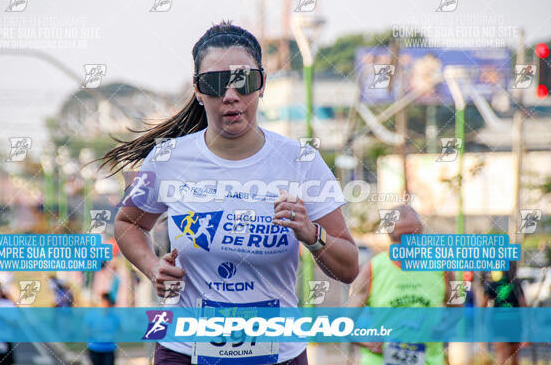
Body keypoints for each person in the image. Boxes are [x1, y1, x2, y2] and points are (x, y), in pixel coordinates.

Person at [99, 20, 359, 365]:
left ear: (262, 84)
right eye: (215, 84)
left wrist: (312, 234)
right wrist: (152, 267)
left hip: (278, 354)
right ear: (197, 89)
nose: (230, 96)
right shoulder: (167, 158)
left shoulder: (301, 161)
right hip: (183, 350)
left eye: (243, 81)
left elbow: (349, 267)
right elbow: (128, 224)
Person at [348, 204, 458, 365]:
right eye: (399, 238)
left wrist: (442, 328)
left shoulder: (443, 266)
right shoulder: (372, 270)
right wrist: (365, 341)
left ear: (421, 232)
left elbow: (458, 306)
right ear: (389, 236)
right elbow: (345, 323)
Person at [483, 263, 527, 365]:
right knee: (514, 357)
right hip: (515, 323)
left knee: (501, 356)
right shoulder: (516, 285)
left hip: (498, 323)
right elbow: (524, 305)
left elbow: (482, 305)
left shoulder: (494, 285)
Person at [84, 292, 120, 365]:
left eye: (107, 303)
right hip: (94, 349)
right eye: (103, 302)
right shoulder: (90, 315)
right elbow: (86, 331)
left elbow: (119, 331)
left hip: (109, 350)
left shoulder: (114, 316)